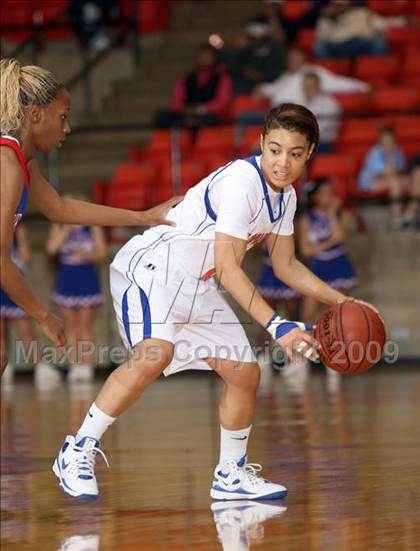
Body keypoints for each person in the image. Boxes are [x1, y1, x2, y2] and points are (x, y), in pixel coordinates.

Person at [53, 103, 376, 502]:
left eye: (294, 153)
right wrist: (279, 327)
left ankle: (231, 475)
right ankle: (77, 450)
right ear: (261, 144)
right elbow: (228, 268)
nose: (282, 162)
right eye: (274, 150)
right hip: (154, 268)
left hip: (198, 284)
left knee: (245, 373)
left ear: (309, 153)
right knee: (154, 354)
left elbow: (287, 265)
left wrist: (344, 300)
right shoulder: (243, 180)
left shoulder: (287, 197)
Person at [0, 58, 181, 374]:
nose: (67, 128)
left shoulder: (21, 160)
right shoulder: (7, 166)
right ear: (34, 116)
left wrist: (143, 217)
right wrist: (43, 316)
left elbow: (61, 208)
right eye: (62, 117)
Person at [46, 211, 107, 383]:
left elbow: (102, 253)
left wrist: (86, 254)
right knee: (71, 327)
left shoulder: (93, 227)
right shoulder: (59, 226)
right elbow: (51, 249)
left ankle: (87, 367)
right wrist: (65, 229)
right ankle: (75, 365)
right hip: (67, 277)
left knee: (85, 326)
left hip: (86, 276)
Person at [298, 178, 357, 324]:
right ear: (315, 197)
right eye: (324, 193)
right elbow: (306, 251)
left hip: (339, 266)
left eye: (331, 193)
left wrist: (331, 214)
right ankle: (311, 346)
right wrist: (330, 242)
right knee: (308, 315)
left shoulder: (342, 214)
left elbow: (341, 237)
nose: (329, 196)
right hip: (318, 268)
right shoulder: (306, 219)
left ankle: (332, 346)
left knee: (338, 314)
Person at [0, 225, 53, 385]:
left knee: (27, 332)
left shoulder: (18, 232)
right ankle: (5, 370)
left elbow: (26, 258)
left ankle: (41, 367)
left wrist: (21, 237)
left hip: (17, 290)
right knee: (1, 335)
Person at [254, 47, 369, 109]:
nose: (293, 61)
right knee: (245, 116)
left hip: (295, 115)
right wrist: (262, 89)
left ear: (303, 59)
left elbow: (337, 83)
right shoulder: (286, 76)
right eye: (291, 59)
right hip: (275, 114)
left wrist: (362, 86)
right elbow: (274, 88)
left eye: (297, 58)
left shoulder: (313, 72)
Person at [154, 43, 233, 129]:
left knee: (210, 119)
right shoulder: (186, 78)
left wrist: (199, 109)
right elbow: (176, 101)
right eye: (202, 56)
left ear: (214, 58)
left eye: (208, 56)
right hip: (185, 114)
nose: (205, 59)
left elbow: (222, 103)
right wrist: (183, 110)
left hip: (207, 115)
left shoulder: (222, 78)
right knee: (161, 116)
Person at [357, 126, 417, 229]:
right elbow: (387, 173)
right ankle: (397, 220)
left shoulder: (397, 151)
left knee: (413, 181)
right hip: (369, 182)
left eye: (390, 139)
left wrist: (391, 154)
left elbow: (400, 170)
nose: (388, 142)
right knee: (395, 183)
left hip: (389, 179)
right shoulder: (375, 152)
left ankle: (409, 216)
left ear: (394, 140)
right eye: (385, 139)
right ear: (380, 140)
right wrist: (389, 155)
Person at [313, 0, 405, 59]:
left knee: (379, 41)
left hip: (362, 43)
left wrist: (403, 21)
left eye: (342, 4)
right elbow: (322, 37)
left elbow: (382, 24)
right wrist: (331, 19)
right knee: (319, 46)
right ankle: (332, 69)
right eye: (337, 4)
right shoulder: (326, 18)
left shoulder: (362, 12)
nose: (339, 6)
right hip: (339, 46)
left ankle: (372, 68)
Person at [227, 19, 288, 94]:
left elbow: (281, 70)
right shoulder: (246, 49)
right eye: (251, 38)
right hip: (247, 84)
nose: (253, 41)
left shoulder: (277, 49)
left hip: (272, 83)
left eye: (256, 38)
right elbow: (232, 67)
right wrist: (245, 71)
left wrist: (260, 75)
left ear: (264, 37)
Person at [300, 72, 341, 154]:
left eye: (310, 86)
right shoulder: (302, 103)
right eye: (305, 86)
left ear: (318, 86)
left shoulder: (329, 103)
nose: (307, 89)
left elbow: (324, 127)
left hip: (324, 144)